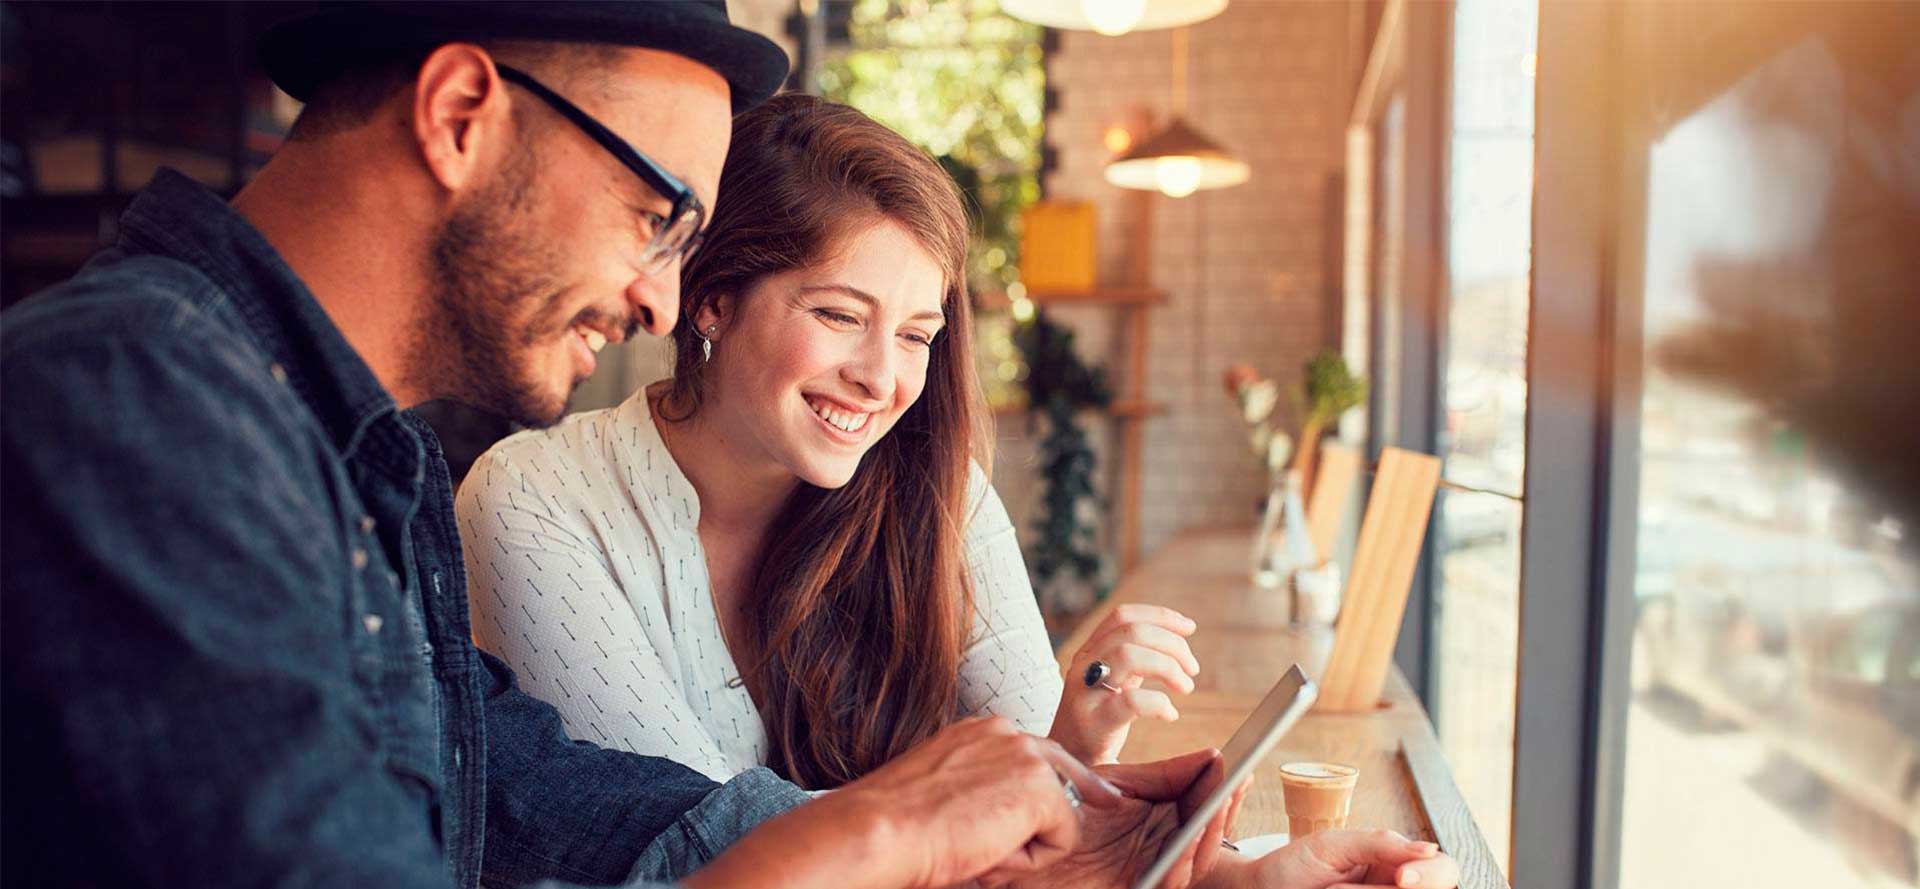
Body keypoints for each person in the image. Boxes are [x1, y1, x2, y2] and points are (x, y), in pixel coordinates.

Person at [0, 3, 1458, 888]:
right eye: (656, 218)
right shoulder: (139, 403)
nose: (655, 294)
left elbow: (553, 789)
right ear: (460, 114)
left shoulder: (354, 450)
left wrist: (1033, 847)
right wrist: (878, 842)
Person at [457, 92, 1200, 791]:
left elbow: (1046, 796)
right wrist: (1003, 804)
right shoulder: (532, 497)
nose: (882, 380)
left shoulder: (939, 488)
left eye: (915, 335)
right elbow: (690, 834)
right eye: (841, 316)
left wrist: (1077, 748)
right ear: (712, 301)